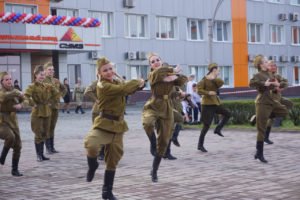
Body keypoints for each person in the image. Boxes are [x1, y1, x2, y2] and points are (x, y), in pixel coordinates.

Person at [84, 57, 144, 200]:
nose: (109, 72)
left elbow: (128, 90)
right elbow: (124, 89)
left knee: (113, 159)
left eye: (111, 69)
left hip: (118, 125)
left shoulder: (116, 81)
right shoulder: (102, 85)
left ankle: (107, 192)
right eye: (105, 70)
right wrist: (139, 81)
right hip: (104, 123)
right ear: (99, 73)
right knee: (91, 144)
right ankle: (92, 166)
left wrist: (139, 85)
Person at [142, 52, 187, 182]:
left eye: (157, 60)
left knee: (163, 142)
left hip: (167, 108)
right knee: (148, 123)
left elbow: (181, 80)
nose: (155, 62)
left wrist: (174, 75)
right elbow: (159, 75)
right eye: (152, 61)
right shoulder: (152, 74)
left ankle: (154, 170)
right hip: (154, 104)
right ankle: (152, 142)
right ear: (150, 65)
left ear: (161, 61)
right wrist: (172, 71)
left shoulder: (167, 73)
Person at [249, 55, 288, 163]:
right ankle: (259, 153)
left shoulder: (270, 74)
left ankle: (258, 116)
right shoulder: (258, 75)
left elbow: (280, 83)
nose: (268, 64)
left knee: (284, 111)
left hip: (271, 101)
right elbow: (251, 83)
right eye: (266, 62)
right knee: (261, 129)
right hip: (262, 102)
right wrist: (263, 84)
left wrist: (277, 84)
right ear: (261, 65)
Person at [24, 65, 59, 162]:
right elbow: (25, 96)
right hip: (37, 112)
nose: (42, 77)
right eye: (40, 75)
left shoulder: (48, 86)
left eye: (43, 75)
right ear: (35, 75)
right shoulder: (32, 86)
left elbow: (57, 94)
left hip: (47, 111)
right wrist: (32, 103)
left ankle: (42, 154)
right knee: (38, 133)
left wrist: (51, 101)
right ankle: (38, 155)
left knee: (45, 133)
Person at [196, 63, 231, 153]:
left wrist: (214, 78)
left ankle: (218, 129)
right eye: (218, 70)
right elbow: (198, 90)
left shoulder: (215, 79)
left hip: (215, 103)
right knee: (206, 126)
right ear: (214, 70)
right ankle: (200, 145)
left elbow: (221, 83)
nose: (219, 71)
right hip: (207, 105)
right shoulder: (204, 79)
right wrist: (208, 93)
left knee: (227, 113)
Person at [0, 72, 24, 176]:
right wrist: (18, 92)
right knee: (10, 136)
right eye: (6, 79)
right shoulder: (1, 92)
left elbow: (27, 99)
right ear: (2, 82)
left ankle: (15, 169)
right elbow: (5, 97)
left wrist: (21, 105)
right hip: (2, 121)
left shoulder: (15, 91)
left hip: (13, 120)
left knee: (18, 146)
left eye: (10, 79)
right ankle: (2, 157)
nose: (9, 81)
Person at [263, 61, 293, 144]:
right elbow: (266, 87)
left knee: (289, 103)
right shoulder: (265, 76)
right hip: (270, 99)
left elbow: (286, 83)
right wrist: (275, 88)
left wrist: (280, 86)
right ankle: (265, 137)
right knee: (270, 119)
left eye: (275, 65)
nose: (274, 67)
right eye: (271, 66)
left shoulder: (277, 75)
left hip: (278, 98)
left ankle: (265, 136)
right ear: (268, 67)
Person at [43, 62, 67, 154]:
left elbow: (64, 88)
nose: (51, 71)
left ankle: (52, 147)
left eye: (53, 70)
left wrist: (60, 96)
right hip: (47, 107)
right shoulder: (43, 81)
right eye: (49, 69)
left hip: (55, 107)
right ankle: (48, 148)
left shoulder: (56, 80)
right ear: (45, 71)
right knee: (47, 127)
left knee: (52, 127)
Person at [84, 77, 105, 160]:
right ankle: (100, 152)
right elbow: (87, 91)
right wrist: (96, 100)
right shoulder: (96, 82)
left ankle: (103, 151)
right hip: (98, 110)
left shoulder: (113, 82)